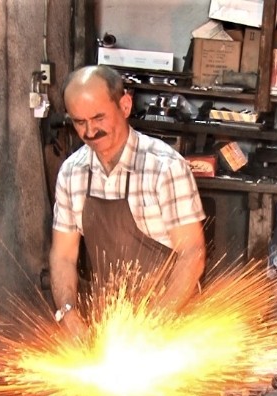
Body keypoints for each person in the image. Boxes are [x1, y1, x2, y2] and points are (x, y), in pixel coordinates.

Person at [50, 65, 206, 336]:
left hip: (172, 325)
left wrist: (157, 321)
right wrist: (67, 312)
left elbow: (192, 253)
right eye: (79, 122)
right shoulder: (71, 173)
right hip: (109, 325)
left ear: (124, 105)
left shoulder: (164, 168)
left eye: (99, 118)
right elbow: (63, 255)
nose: (89, 132)